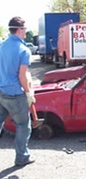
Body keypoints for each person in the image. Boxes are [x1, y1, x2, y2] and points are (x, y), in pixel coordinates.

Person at [0, 16, 36, 166]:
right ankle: (21, 157)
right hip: (15, 94)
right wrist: (28, 93)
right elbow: (22, 76)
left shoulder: (1, 46)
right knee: (23, 126)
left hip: (0, 92)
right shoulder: (23, 50)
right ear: (19, 30)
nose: (26, 31)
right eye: (25, 29)